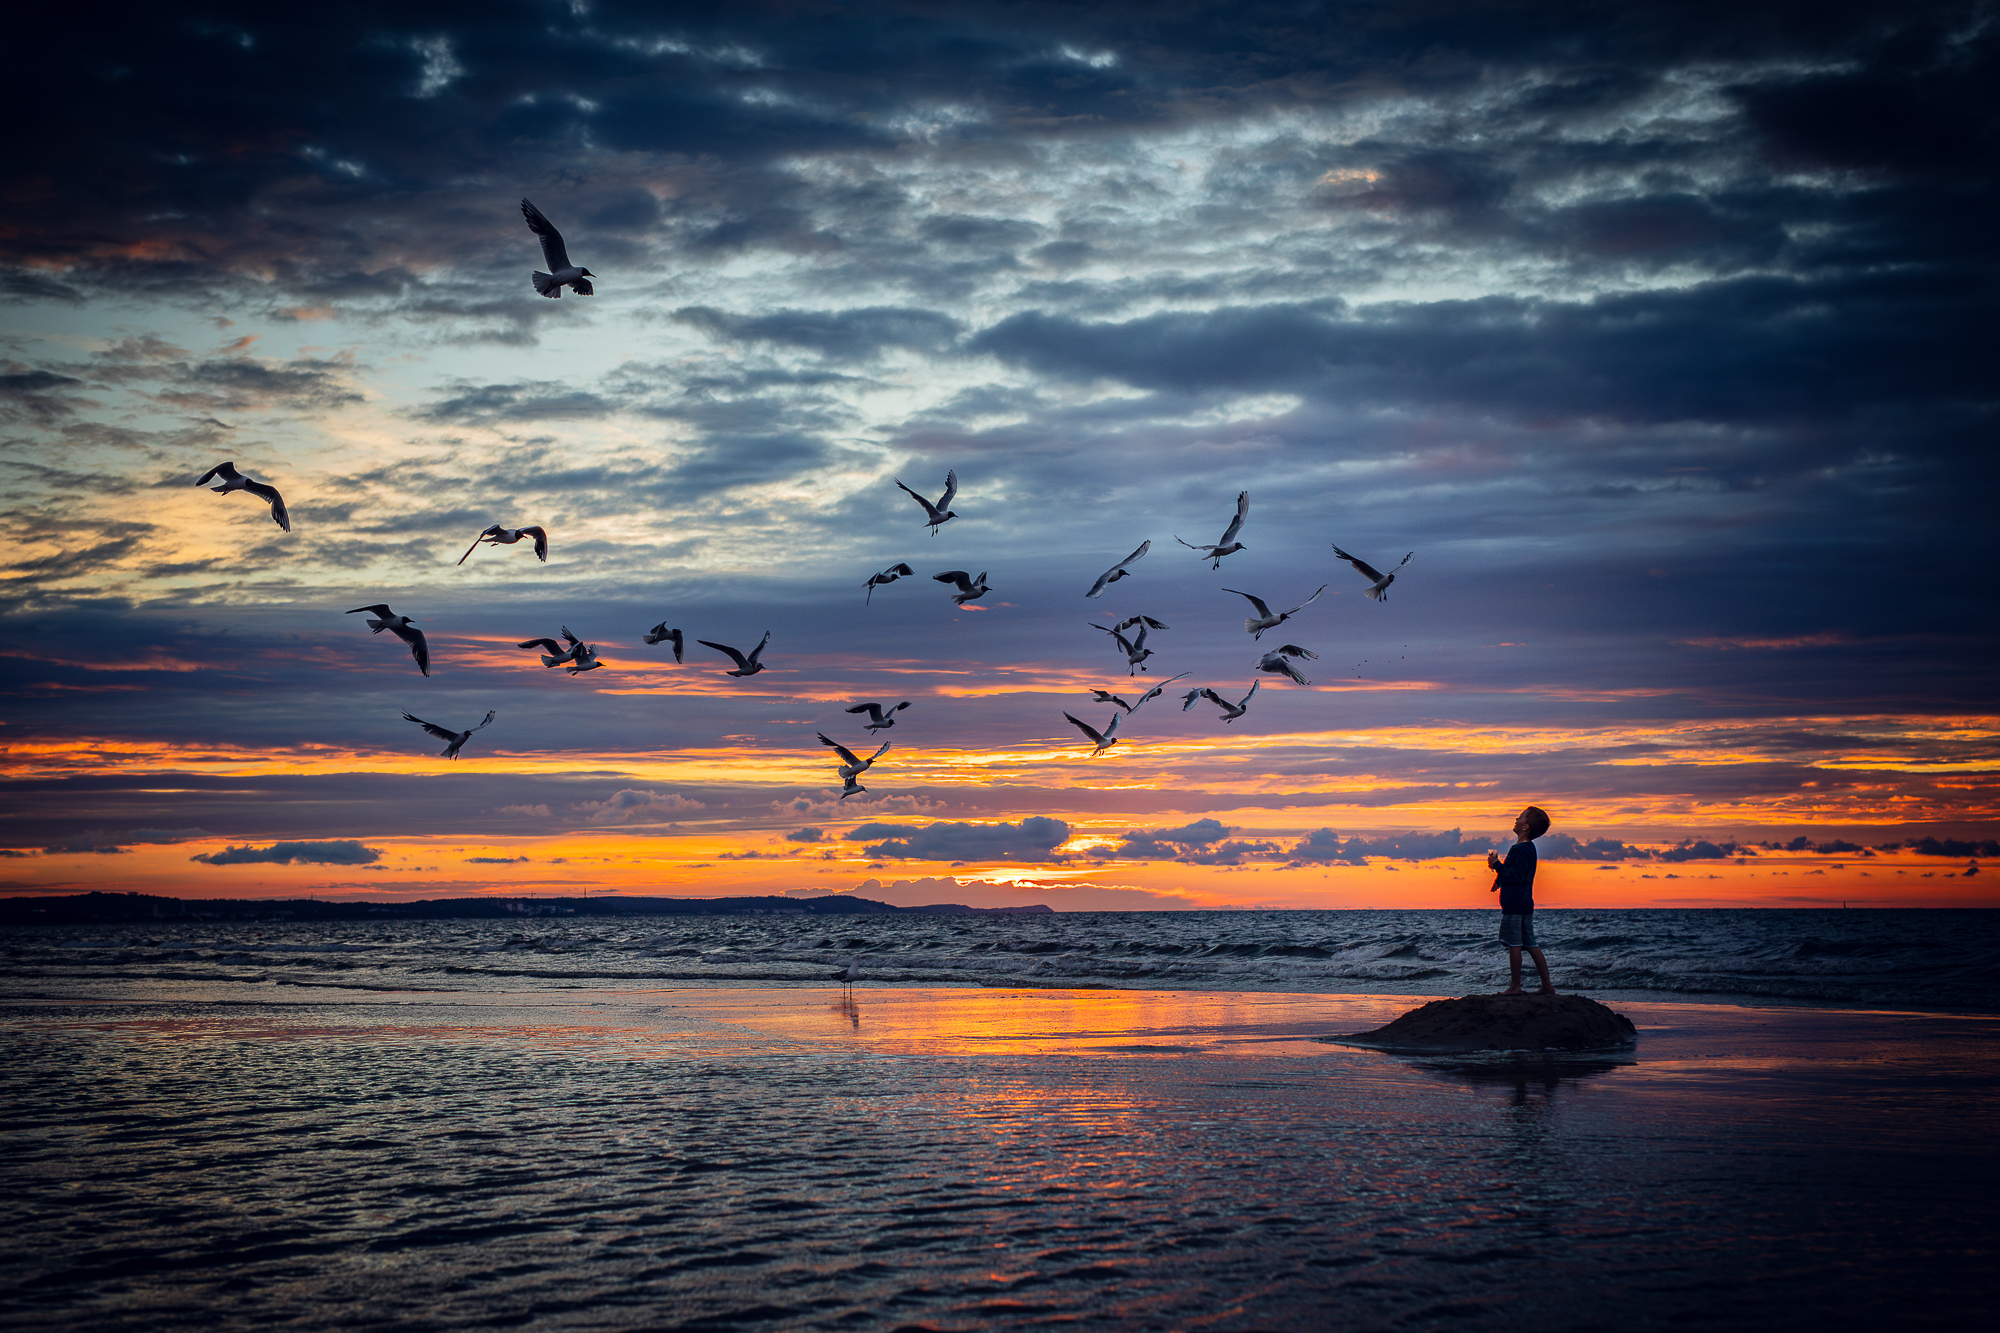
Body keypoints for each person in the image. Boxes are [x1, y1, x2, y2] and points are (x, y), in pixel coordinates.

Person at [1488, 806, 1554, 995]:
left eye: (1520, 817)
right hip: (1524, 902)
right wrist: (1498, 878)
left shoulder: (1521, 850)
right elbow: (1517, 873)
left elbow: (1515, 876)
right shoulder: (1526, 849)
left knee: (1514, 944)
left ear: (1525, 827)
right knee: (1531, 943)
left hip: (1514, 904)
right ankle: (1547, 986)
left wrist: (1497, 865)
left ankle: (1516, 986)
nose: (1516, 819)